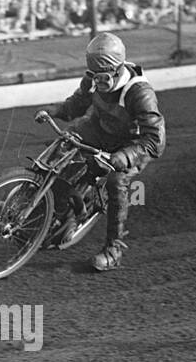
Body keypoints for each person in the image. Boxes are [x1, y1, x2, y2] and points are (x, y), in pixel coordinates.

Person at [33, 32, 165, 271]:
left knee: (116, 183)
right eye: (94, 77)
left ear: (118, 70)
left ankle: (113, 250)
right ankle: (28, 205)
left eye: (103, 79)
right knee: (66, 141)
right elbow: (76, 105)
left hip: (131, 146)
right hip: (101, 130)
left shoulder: (140, 94)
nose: (97, 84)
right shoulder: (93, 79)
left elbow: (155, 141)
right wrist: (52, 110)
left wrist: (122, 158)